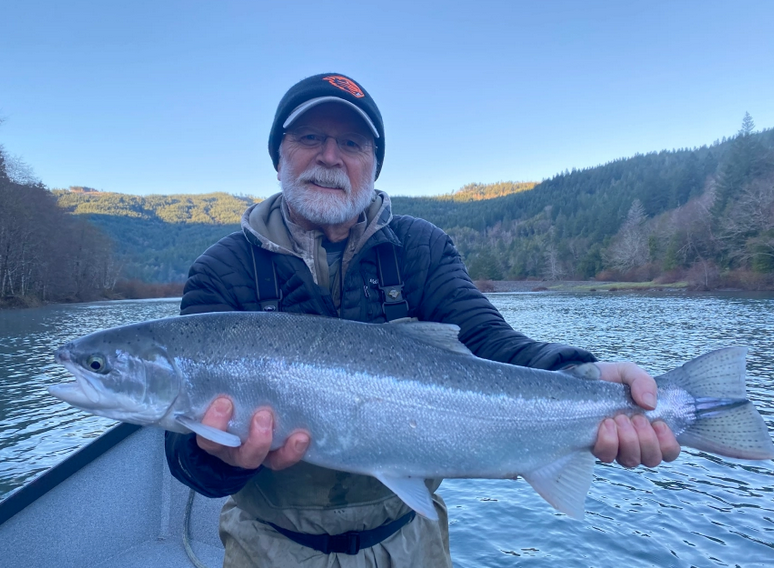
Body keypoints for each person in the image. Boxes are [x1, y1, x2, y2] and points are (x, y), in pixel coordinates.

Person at [165, 72, 681, 567]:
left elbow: (488, 339)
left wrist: (586, 377)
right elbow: (186, 456)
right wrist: (220, 458)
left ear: (374, 164)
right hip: (270, 547)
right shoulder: (222, 270)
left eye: (352, 144)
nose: (329, 156)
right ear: (279, 154)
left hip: (410, 540)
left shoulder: (419, 248)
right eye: (309, 136)